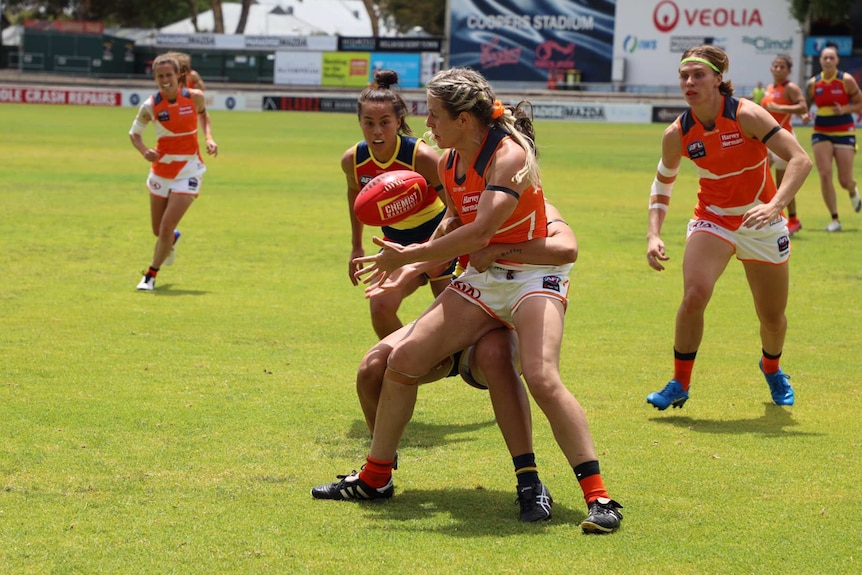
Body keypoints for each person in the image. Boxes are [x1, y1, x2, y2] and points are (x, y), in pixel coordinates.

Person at [314, 68, 623, 534]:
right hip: (484, 277)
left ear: (463, 118)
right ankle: (376, 478)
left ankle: (600, 499)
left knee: (541, 376)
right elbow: (455, 223)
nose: (426, 123)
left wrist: (412, 254)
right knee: (401, 361)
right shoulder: (451, 160)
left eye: (434, 115)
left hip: (534, 276)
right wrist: (406, 267)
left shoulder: (509, 155)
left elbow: (479, 232)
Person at [353, 204, 576, 523]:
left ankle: (529, 480)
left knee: (495, 356)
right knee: (372, 368)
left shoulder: (537, 211)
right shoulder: (466, 198)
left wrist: (499, 249)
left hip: (499, 326)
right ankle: (379, 472)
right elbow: (439, 250)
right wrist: (407, 264)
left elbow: (566, 248)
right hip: (458, 315)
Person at [645, 46, 812, 411]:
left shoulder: (748, 115)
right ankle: (679, 382)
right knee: (694, 295)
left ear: (718, 79)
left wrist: (774, 205)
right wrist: (653, 234)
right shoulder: (678, 133)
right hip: (713, 219)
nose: (689, 83)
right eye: (684, 76)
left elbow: (800, 159)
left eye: (698, 75)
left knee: (771, 316)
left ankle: (772, 368)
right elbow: (662, 184)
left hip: (762, 223)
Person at [342, 69, 454, 338]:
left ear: (398, 120)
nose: (377, 131)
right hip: (395, 244)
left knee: (453, 321)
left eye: (385, 122)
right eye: (368, 123)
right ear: (359, 122)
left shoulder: (421, 156)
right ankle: (407, 366)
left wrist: (444, 247)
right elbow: (355, 199)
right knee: (379, 307)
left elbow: (454, 206)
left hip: (437, 237)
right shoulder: (353, 160)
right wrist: (356, 246)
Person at [129, 53, 218, 291]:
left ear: (178, 75)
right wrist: (143, 150)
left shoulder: (195, 97)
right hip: (160, 172)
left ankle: (150, 275)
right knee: (159, 231)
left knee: (165, 227)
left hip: (189, 171)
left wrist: (208, 138)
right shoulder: (150, 106)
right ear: (155, 78)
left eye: (168, 75)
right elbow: (134, 134)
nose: (164, 80)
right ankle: (172, 240)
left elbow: (204, 116)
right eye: (160, 76)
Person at [803, 45, 862, 231]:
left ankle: (853, 190)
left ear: (837, 60)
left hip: (844, 131)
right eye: (824, 57)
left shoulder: (846, 80)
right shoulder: (813, 83)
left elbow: (859, 102)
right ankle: (835, 220)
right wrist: (805, 114)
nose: (828, 60)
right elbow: (806, 104)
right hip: (821, 130)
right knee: (825, 173)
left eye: (831, 58)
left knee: (845, 180)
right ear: (820, 60)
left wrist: (845, 109)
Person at [761, 54, 808, 235]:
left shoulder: (791, 88)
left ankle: (793, 220)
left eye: (782, 67)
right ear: (771, 68)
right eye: (776, 66)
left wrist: (781, 108)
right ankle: (771, 218)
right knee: (762, 177)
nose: (778, 69)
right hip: (765, 139)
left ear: (789, 70)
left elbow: (803, 107)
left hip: (783, 139)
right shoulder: (769, 88)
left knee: (783, 185)